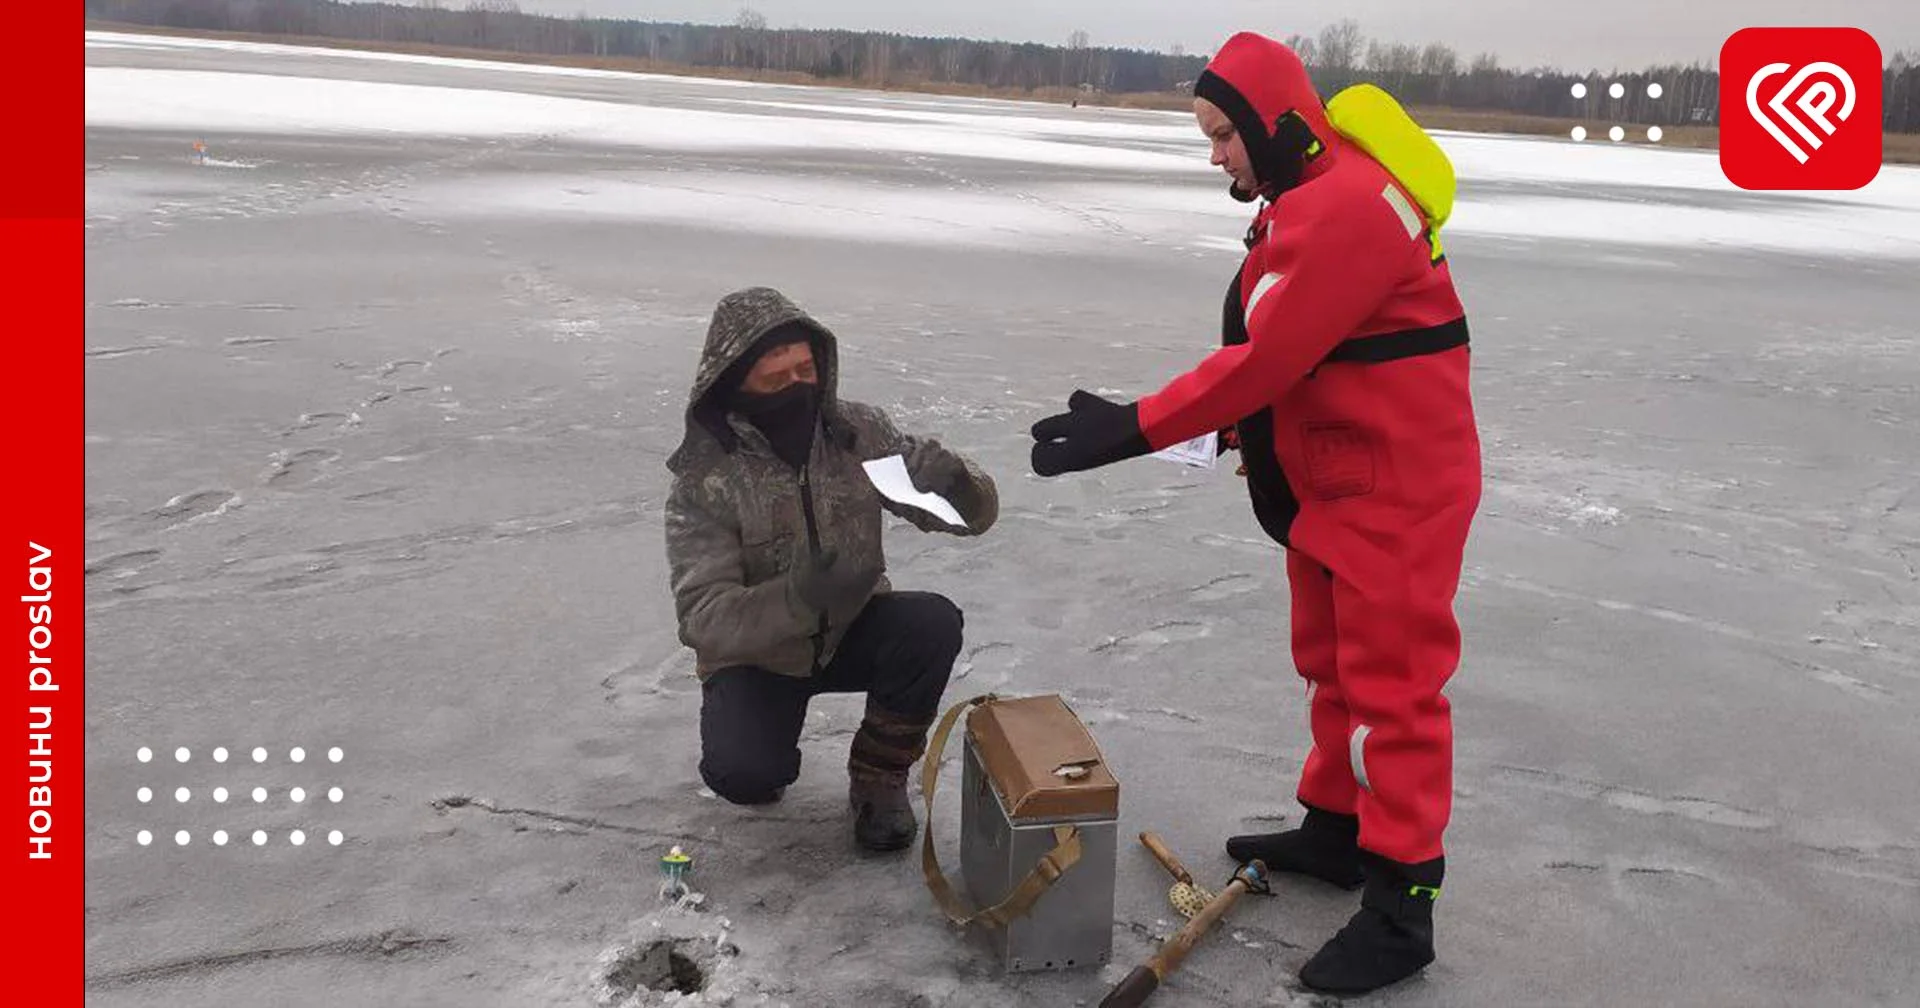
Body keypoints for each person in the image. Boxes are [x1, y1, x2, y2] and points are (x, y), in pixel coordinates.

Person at [1027, 32, 1482, 996]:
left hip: (1395, 490)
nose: (1216, 156)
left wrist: (1136, 426)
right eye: (1209, 135)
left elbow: (1269, 358)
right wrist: (1247, 442)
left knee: (1392, 693)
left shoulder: (1352, 209)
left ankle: (1404, 908)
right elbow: (1316, 355)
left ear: (1277, 124)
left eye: (1225, 135)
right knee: (1330, 665)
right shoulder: (1309, 193)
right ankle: (1338, 828)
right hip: (1336, 475)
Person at [665, 287, 999, 853]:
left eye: (806, 371)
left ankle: (878, 779)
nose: (798, 388)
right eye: (776, 381)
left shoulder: (859, 433)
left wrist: (957, 484)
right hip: (759, 654)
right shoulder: (705, 477)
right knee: (744, 777)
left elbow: (971, 520)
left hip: (852, 627)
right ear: (734, 383)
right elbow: (703, 618)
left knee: (931, 624)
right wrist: (796, 598)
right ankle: (756, 745)